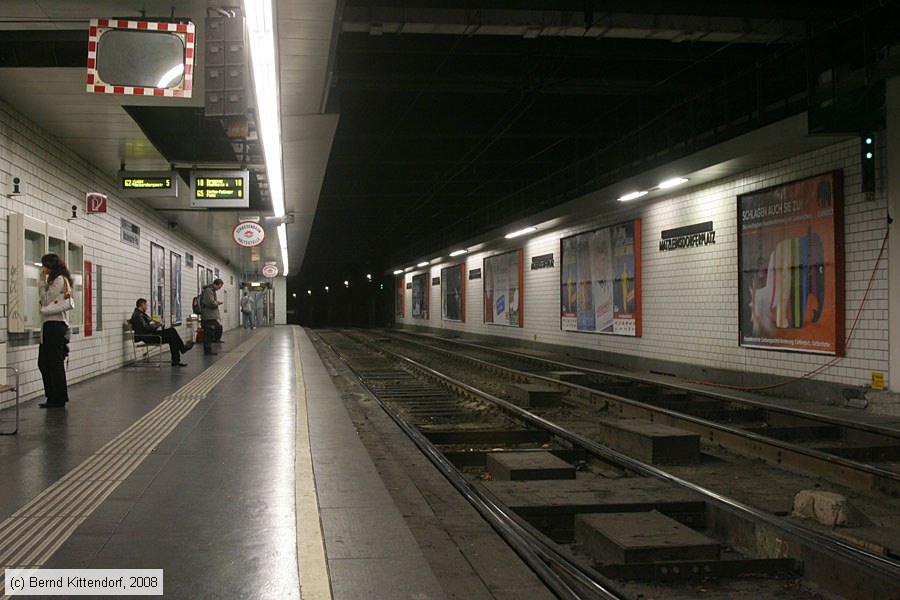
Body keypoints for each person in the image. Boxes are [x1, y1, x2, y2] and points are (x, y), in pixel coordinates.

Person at [37, 253, 74, 408]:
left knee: (53, 362)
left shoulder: (59, 280)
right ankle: (53, 396)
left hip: (54, 325)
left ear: (50, 266)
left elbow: (45, 300)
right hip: (51, 325)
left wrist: (41, 282)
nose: (43, 269)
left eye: (44, 265)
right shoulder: (58, 279)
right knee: (45, 362)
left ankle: (57, 397)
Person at [130, 298, 194, 367]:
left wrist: (157, 324)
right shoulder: (138, 315)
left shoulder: (139, 314)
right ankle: (182, 349)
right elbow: (146, 328)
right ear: (142, 305)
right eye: (146, 305)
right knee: (172, 332)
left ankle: (176, 360)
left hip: (150, 335)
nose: (147, 307)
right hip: (148, 337)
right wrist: (158, 324)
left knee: (172, 336)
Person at [200, 279, 224, 355]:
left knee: (211, 332)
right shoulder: (209, 291)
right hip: (208, 316)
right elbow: (211, 303)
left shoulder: (211, 290)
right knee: (208, 333)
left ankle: (208, 349)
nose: (219, 288)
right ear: (216, 284)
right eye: (219, 287)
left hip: (211, 315)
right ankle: (207, 350)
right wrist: (217, 303)